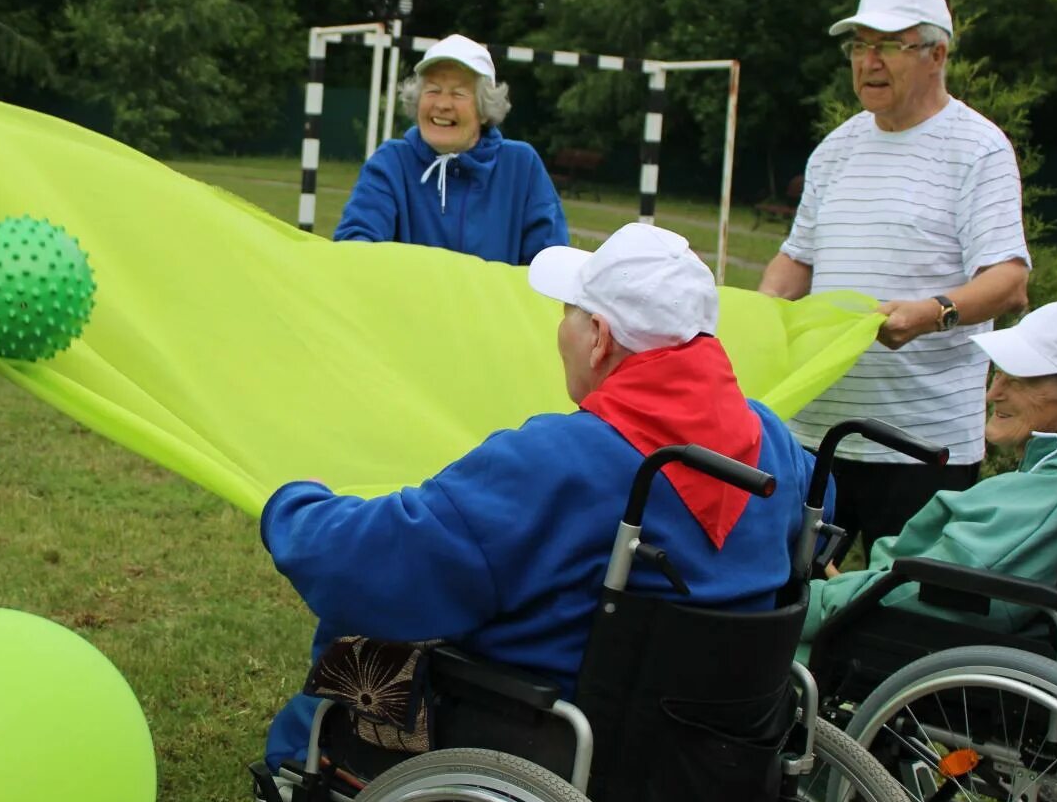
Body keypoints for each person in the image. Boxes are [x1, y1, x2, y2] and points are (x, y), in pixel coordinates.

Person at [262, 223, 815, 773]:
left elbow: (379, 564)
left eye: (568, 314)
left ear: (599, 336)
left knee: (345, 664)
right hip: (709, 760)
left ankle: (298, 778)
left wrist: (292, 506)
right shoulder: (772, 445)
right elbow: (823, 501)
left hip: (546, 750)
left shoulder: (558, 461)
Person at [759, 0, 1030, 556]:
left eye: (889, 45)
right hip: (813, 438)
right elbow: (795, 259)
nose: (869, 62)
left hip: (921, 445)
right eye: (859, 45)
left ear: (937, 55)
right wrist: (763, 313)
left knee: (896, 618)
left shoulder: (978, 150)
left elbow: (1009, 281)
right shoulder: (836, 149)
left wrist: (931, 314)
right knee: (785, 600)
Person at [802, 301, 1057, 646]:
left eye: (1019, 380)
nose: (994, 392)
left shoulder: (1056, 493)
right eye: (999, 372)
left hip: (895, 640)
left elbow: (917, 593)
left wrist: (803, 603)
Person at [333, 33, 567, 264]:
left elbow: (550, 262)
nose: (443, 104)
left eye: (458, 93)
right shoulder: (392, 162)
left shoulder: (520, 166)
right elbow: (356, 244)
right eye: (433, 90)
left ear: (484, 109)